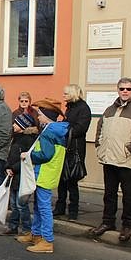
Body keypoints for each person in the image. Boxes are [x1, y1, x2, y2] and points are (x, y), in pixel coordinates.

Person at [91, 77, 131, 241]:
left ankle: (127, 225)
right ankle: (108, 221)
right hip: (109, 158)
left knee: (128, 195)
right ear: (118, 90)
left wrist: (128, 149)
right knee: (109, 194)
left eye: (128, 89)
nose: (125, 91)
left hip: (126, 160)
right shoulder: (109, 110)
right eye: (122, 89)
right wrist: (99, 145)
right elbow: (100, 128)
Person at [16, 99, 69, 254]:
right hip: (48, 172)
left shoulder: (49, 132)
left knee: (44, 207)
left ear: (46, 116)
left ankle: (47, 240)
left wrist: (28, 155)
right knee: (39, 205)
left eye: (39, 114)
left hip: (44, 172)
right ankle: (36, 234)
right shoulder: (56, 129)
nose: (38, 117)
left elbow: (45, 154)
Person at [2, 92, 39, 236]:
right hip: (13, 175)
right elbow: (11, 155)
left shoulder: (27, 141)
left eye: (16, 124)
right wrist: (7, 167)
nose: (13, 125)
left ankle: (27, 229)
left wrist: (12, 168)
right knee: (14, 204)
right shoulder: (16, 138)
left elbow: (24, 159)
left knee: (21, 204)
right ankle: (13, 226)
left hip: (21, 175)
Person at [54, 84, 92, 221]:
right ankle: (60, 206)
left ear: (72, 94)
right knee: (62, 179)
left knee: (72, 180)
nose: (63, 95)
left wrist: (64, 129)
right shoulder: (70, 107)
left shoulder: (83, 108)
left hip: (75, 149)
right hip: (65, 146)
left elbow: (80, 128)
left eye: (65, 93)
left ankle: (73, 210)